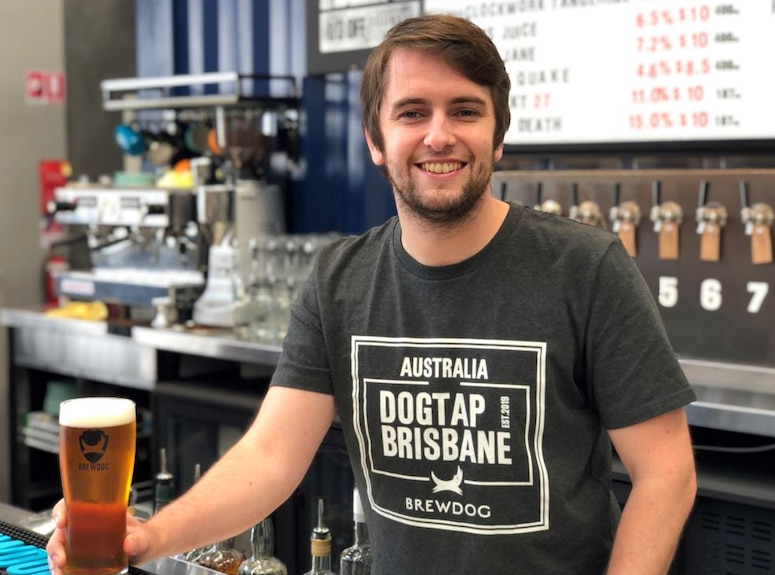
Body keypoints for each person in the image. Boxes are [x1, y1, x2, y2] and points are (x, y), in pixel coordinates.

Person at [48, 13, 697, 575]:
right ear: (376, 141)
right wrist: (150, 534)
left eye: (464, 110)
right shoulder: (339, 281)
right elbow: (270, 456)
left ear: (498, 133)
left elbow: (666, 473)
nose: (438, 135)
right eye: (412, 112)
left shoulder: (586, 268)